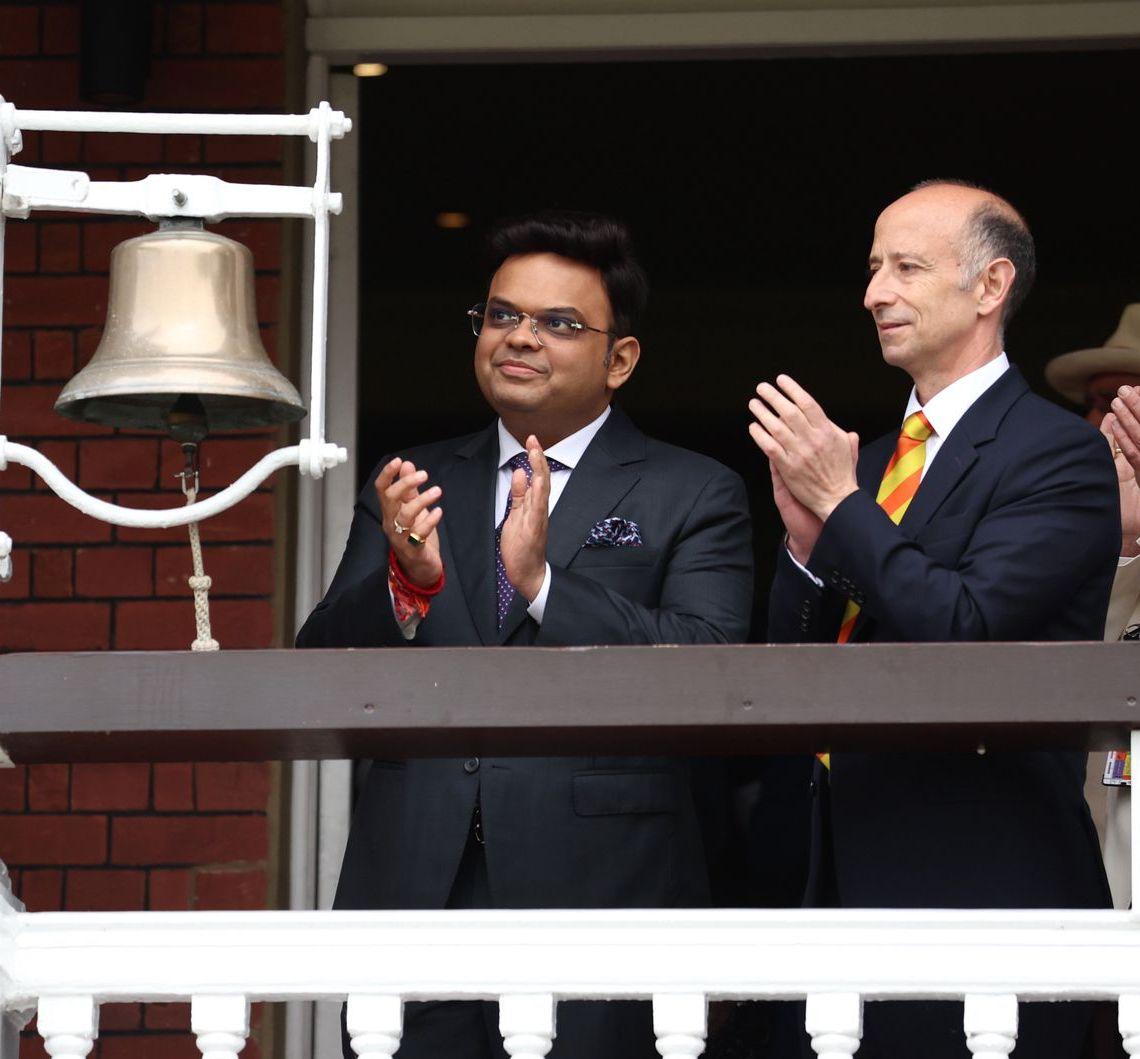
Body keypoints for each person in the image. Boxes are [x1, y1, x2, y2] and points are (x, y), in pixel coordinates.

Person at [297, 210, 753, 1059]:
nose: (520, 337)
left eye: (559, 323)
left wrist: (543, 586)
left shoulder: (694, 490)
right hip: (415, 890)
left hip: (604, 895)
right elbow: (318, 670)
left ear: (621, 359)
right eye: (502, 314)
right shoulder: (413, 482)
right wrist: (405, 584)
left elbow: (711, 666)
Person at [749, 179, 1119, 1058]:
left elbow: (967, 629)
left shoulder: (1058, 452)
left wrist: (843, 509)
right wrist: (803, 545)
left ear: (990, 286)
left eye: (907, 267)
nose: (875, 292)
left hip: (982, 878)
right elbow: (788, 663)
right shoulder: (871, 461)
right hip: (833, 875)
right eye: (873, 268)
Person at [1045, 303, 1140, 911]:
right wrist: (1125, 539)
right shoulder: (1058, 511)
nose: (1113, 421)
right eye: (1102, 402)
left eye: (1130, 402)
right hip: (1082, 847)